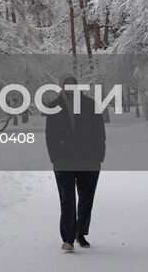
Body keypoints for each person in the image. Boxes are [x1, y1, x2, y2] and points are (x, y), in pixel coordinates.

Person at [44, 75, 106, 253]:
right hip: (63, 161)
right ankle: (68, 239)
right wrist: (55, 157)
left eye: (73, 85)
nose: (70, 88)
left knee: (86, 198)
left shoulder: (90, 104)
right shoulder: (54, 106)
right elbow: (50, 134)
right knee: (67, 199)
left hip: (88, 160)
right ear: (62, 86)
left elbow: (99, 131)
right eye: (67, 85)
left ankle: (81, 232)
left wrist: (99, 155)